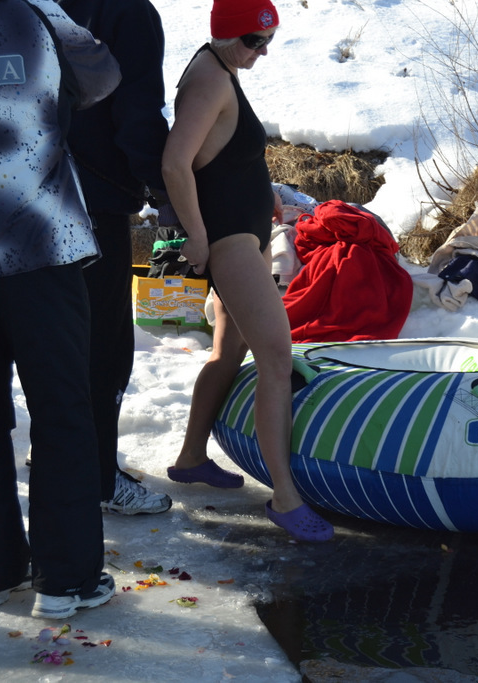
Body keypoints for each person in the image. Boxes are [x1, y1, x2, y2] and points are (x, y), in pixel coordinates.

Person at [161, 0, 334, 541]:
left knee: (229, 349)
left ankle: (191, 458)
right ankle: (285, 497)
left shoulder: (222, 65)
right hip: (229, 240)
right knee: (276, 358)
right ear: (225, 33)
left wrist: (268, 193)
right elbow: (175, 162)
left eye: (268, 41)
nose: (262, 52)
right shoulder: (209, 80)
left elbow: (226, 152)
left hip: (247, 230)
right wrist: (195, 234)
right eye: (253, 41)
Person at [0, 0, 119, 617]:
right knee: (62, 408)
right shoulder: (35, 12)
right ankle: (66, 579)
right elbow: (101, 77)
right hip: (40, 240)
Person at [61, 0, 174, 515]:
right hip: (94, 200)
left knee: (53, 340)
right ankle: (100, 478)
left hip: (24, 198)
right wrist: (165, 191)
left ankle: (60, 452)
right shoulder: (127, 12)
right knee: (103, 348)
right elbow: (137, 113)